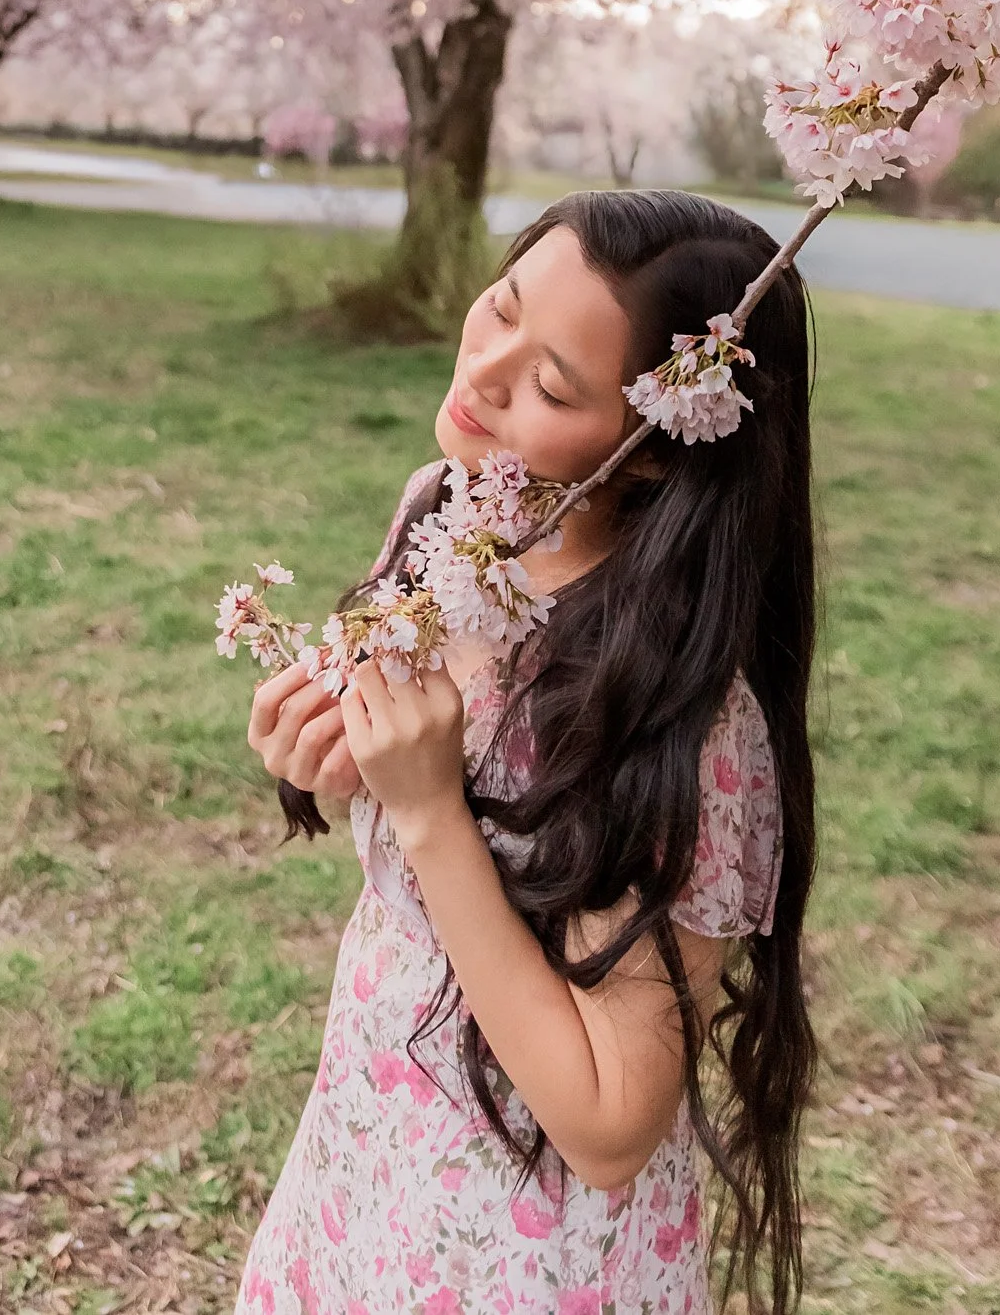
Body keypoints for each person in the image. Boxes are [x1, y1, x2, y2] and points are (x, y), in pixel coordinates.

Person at [238, 190, 817, 1315]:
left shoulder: (669, 709)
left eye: (552, 385)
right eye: (500, 307)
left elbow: (607, 1125)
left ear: (653, 455)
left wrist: (428, 812)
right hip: (368, 1157)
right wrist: (331, 754)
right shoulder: (446, 516)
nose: (486, 370)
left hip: (525, 1250)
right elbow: (428, 806)